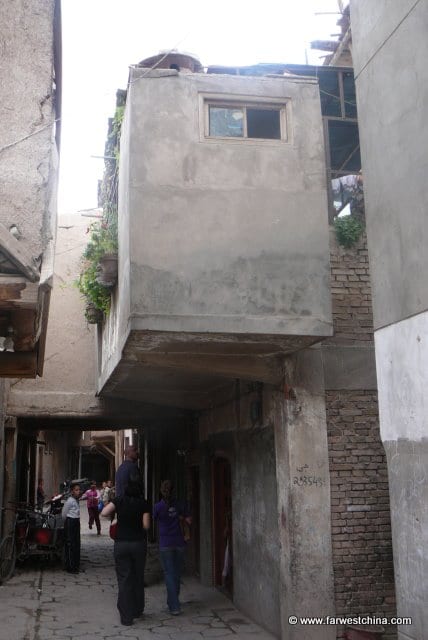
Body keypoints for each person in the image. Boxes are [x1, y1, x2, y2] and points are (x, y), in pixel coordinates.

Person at [101, 469, 150, 626]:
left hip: (121, 544)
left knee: (124, 578)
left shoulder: (119, 500)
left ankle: (126, 617)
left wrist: (116, 518)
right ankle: (137, 609)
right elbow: (146, 525)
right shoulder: (144, 503)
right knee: (137, 576)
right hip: (138, 544)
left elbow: (104, 512)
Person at [153, 479, 192, 616]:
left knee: (169, 574)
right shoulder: (181, 504)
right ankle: (173, 602)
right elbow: (189, 521)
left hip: (165, 543)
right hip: (179, 542)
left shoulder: (158, 506)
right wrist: (179, 517)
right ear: (173, 491)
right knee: (176, 573)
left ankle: (174, 605)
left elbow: (154, 519)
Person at [61, 482, 81, 573]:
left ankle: (76, 566)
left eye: (79, 490)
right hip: (70, 522)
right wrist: (67, 522)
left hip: (76, 522)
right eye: (76, 490)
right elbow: (64, 514)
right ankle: (70, 567)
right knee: (70, 544)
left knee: (76, 544)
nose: (78, 492)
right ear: (72, 491)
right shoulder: (69, 501)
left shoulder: (76, 500)